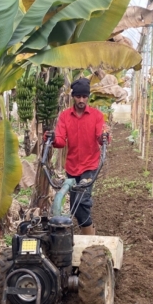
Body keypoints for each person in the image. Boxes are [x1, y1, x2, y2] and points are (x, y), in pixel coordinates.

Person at [44, 78, 109, 236]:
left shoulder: (96, 116)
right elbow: (60, 141)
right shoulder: (65, 116)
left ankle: (90, 236)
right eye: (78, 96)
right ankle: (87, 230)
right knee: (74, 203)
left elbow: (100, 138)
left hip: (90, 165)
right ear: (73, 96)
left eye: (84, 97)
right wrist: (51, 138)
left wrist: (104, 136)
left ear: (88, 97)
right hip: (72, 166)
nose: (81, 100)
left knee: (82, 201)